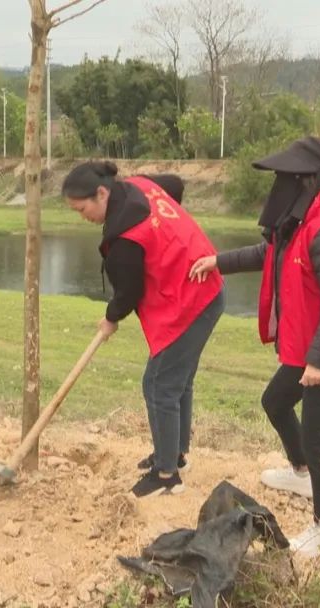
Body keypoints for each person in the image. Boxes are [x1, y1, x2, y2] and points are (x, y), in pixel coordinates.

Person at [189, 136, 320, 558]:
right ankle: (303, 473)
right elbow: (267, 253)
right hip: (306, 348)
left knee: (319, 436)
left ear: (312, 180)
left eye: (289, 178)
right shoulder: (299, 222)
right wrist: (217, 261)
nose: (280, 186)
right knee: (274, 402)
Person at [62, 161, 224, 499]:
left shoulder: (124, 237)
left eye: (83, 208)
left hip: (191, 300)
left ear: (102, 193)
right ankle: (175, 455)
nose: (82, 216)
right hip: (204, 288)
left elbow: (129, 292)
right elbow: (174, 185)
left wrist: (110, 318)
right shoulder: (139, 184)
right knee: (176, 382)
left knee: (159, 383)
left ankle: (166, 475)